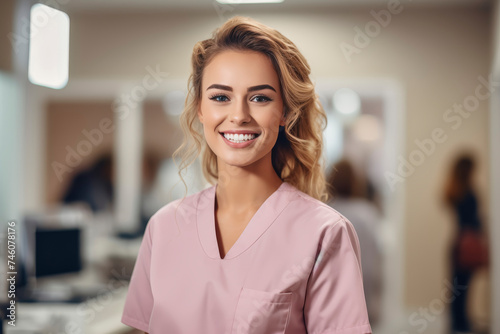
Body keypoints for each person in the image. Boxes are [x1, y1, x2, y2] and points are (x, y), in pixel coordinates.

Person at [121, 16, 372, 334]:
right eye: (220, 97)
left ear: (284, 113)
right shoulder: (163, 228)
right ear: (201, 109)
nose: (238, 116)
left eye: (260, 98)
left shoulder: (324, 233)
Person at [326, 159, 383, 327]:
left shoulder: (323, 211)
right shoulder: (367, 214)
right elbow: (374, 261)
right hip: (362, 290)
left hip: (330, 296)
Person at [443, 154, 486, 334]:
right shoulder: (467, 192)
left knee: (457, 289)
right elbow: (474, 221)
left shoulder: (456, 190)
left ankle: (458, 324)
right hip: (465, 245)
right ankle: (460, 325)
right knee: (461, 289)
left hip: (458, 243)